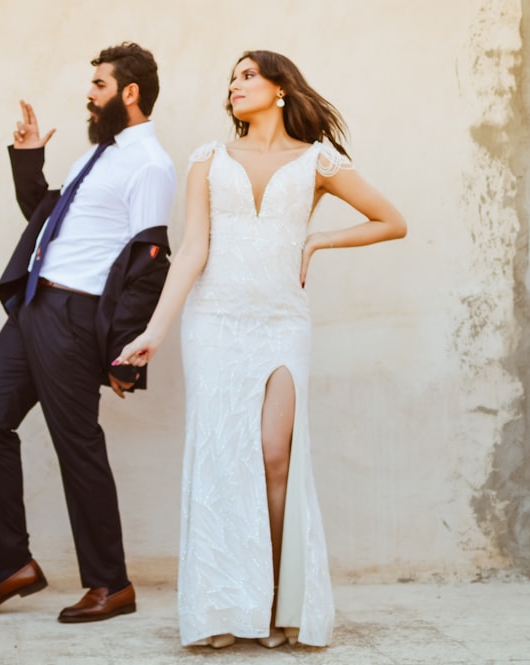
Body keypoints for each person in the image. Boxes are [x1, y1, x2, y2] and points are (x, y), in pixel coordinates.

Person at [115, 50, 407, 647]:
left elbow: (391, 220)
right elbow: (193, 249)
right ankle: (223, 610)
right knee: (222, 460)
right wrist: (156, 330)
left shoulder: (318, 161)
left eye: (248, 75)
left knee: (277, 457)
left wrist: (321, 239)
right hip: (214, 323)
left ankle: (279, 605)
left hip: (281, 322)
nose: (236, 85)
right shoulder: (207, 159)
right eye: (232, 78)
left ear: (280, 88)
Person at [0, 43, 176, 624]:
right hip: (34, 305)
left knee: (76, 446)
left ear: (130, 92)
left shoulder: (150, 164)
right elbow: (45, 217)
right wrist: (28, 159)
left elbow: (150, 264)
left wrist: (124, 355)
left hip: (76, 320)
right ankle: (12, 565)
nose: (89, 93)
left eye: (99, 85)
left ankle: (111, 583)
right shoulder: (95, 156)